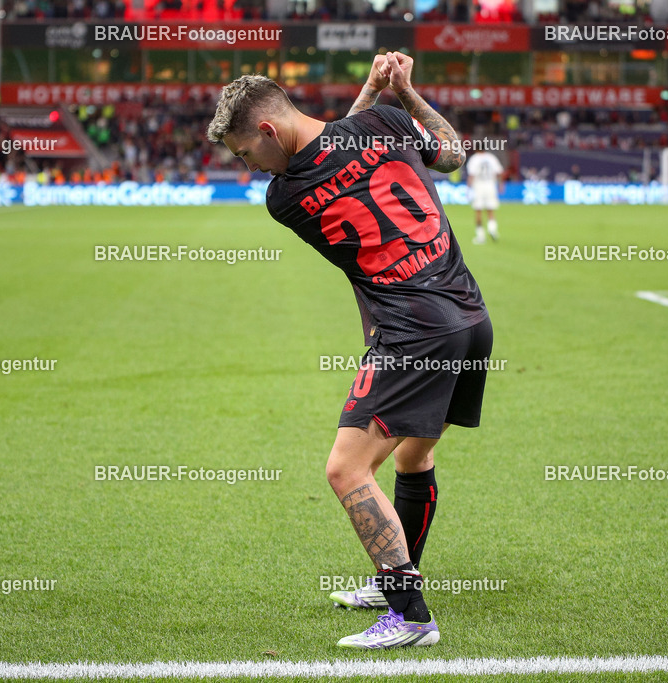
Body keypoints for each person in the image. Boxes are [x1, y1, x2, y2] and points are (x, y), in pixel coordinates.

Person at [207, 51, 493, 649]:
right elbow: (452, 155)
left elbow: (328, 158)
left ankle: (410, 617)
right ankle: (399, 581)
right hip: (469, 319)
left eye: (244, 153)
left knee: (345, 469)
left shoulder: (284, 198)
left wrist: (368, 91)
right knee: (413, 458)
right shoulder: (386, 124)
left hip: (412, 334)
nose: (249, 167)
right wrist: (402, 92)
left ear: (266, 131)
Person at [465, 149, 504, 244]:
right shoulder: (491, 157)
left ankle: (480, 236)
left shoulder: (474, 159)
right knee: (490, 210)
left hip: (478, 186)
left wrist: (468, 188)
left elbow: (471, 175)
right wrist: (501, 185)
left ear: (476, 149)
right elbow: (499, 172)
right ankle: (492, 229)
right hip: (490, 185)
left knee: (478, 211)